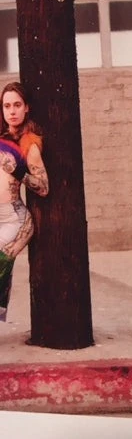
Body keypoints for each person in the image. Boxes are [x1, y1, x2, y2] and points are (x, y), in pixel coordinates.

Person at [0, 82, 49, 322]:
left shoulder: (29, 143)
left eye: (17, 105)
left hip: (14, 219)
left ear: (26, 107)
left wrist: (18, 171)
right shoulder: (1, 139)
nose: (12, 111)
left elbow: (44, 187)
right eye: (7, 106)